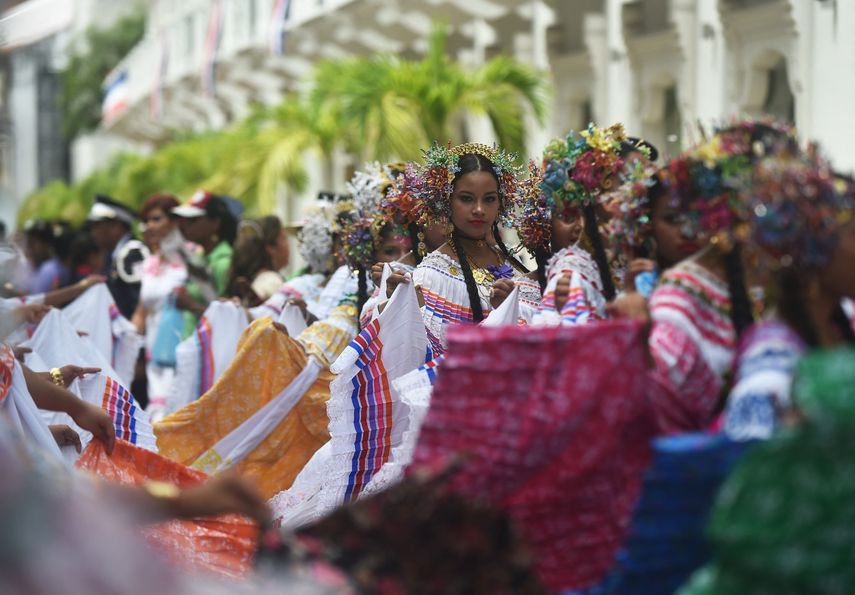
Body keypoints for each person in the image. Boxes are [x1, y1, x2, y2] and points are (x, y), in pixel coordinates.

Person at [723, 157, 855, 440]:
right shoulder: (771, 359)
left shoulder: (835, 331)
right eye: (854, 234)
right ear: (811, 250)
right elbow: (756, 469)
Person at [385, 143, 541, 352]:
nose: (479, 209)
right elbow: (426, 359)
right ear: (446, 202)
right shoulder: (432, 276)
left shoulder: (516, 265)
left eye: (489, 199)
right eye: (466, 199)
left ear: (500, 203)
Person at [130, 195, 188, 421]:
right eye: (147, 221)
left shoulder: (192, 258)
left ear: (175, 221)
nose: (150, 226)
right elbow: (141, 312)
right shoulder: (151, 263)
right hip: (155, 354)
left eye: (156, 219)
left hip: (183, 349)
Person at [171, 190, 237, 323]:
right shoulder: (200, 257)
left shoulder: (224, 262)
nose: (186, 225)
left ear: (215, 223)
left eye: (193, 220)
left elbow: (228, 318)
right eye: (184, 220)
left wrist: (192, 306)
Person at [87, 194, 149, 318]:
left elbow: (137, 300)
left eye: (97, 227)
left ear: (115, 227)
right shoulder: (117, 254)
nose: (93, 234)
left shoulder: (132, 254)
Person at [225, 216, 289, 306]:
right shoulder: (272, 282)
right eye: (284, 238)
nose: (288, 244)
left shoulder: (249, 280)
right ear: (270, 248)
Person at [22, 219, 70, 293]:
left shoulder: (49, 269)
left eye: (33, 242)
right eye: (28, 243)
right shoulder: (38, 266)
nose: (29, 247)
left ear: (46, 244)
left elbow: (38, 299)